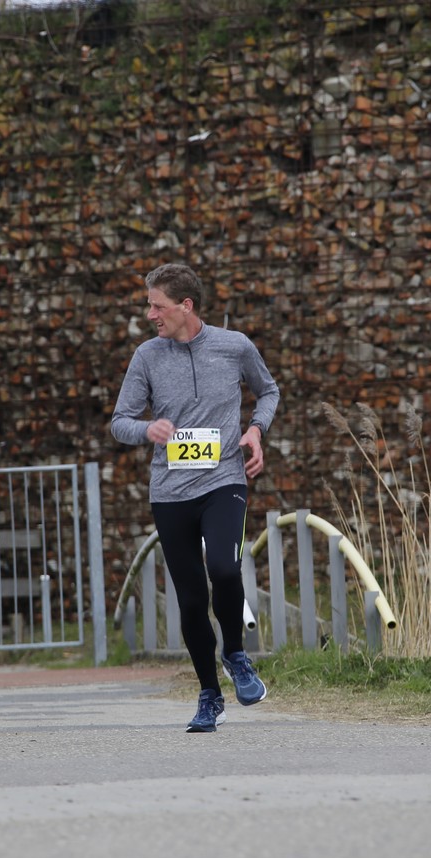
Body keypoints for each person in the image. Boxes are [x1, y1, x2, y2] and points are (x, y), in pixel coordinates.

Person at [111, 263, 281, 733]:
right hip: (170, 493)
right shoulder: (147, 356)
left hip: (224, 480)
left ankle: (236, 655)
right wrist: (147, 429)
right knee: (190, 599)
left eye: (157, 306)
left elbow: (268, 391)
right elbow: (120, 421)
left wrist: (255, 430)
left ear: (185, 306)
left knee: (224, 569)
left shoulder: (234, 346)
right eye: (149, 305)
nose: (150, 314)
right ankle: (209, 695)